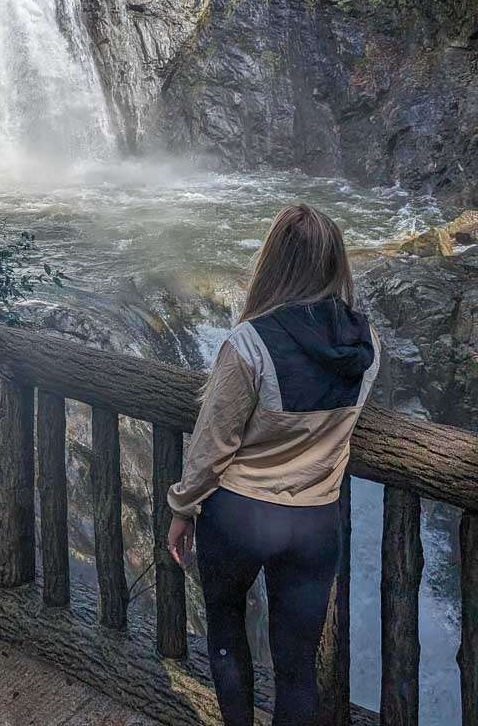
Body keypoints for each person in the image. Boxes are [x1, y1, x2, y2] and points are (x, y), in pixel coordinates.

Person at [166, 204, 379, 726]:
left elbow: (213, 443)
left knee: (225, 625)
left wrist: (181, 508)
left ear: (272, 263)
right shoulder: (368, 343)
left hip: (239, 515)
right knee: (297, 667)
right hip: (314, 520)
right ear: (336, 264)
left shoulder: (248, 343)